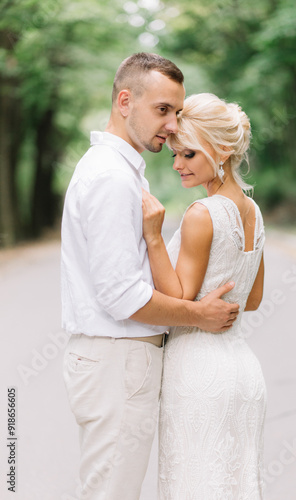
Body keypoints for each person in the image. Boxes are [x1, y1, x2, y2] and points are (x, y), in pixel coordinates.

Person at [61, 54, 239, 500]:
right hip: (117, 361)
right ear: (125, 101)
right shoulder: (110, 178)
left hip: (120, 363)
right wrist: (199, 315)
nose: (174, 125)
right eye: (163, 110)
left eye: (177, 112)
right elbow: (121, 295)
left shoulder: (120, 172)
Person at [142, 93, 267, 499]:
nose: (177, 164)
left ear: (224, 150)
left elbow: (178, 296)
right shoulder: (253, 211)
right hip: (244, 373)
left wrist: (154, 237)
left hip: (198, 371)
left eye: (189, 154)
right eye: (176, 154)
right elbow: (251, 299)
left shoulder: (203, 213)